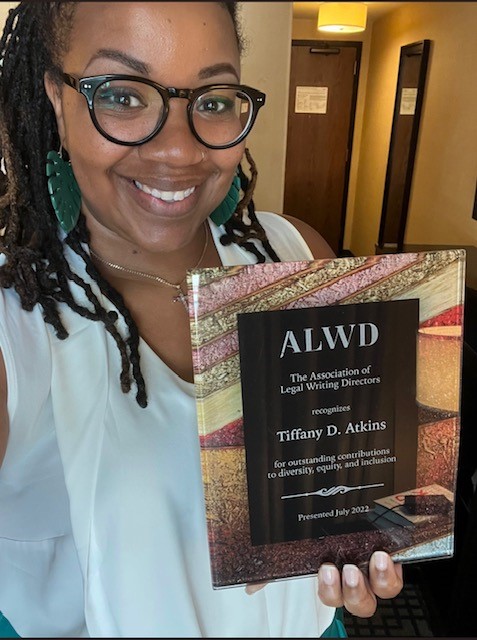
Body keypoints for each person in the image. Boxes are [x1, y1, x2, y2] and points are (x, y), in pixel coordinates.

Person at [0, 2, 403, 637]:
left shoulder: (297, 253)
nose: (180, 149)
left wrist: (367, 535)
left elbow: (353, 480)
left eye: (212, 101)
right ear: (57, 97)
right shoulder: (16, 323)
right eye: (124, 95)